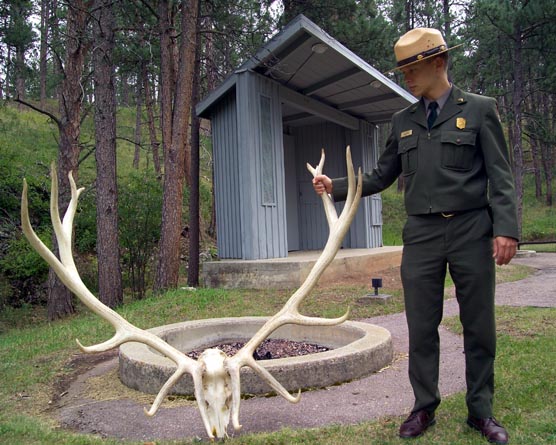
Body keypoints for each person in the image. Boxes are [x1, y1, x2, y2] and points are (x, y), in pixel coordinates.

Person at [313, 28, 518, 444]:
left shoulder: (479, 110)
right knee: (421, 326)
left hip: (471, 229)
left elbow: (501, 175)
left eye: (414, 67)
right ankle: (423, 408)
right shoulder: (402, 121)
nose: (407, 76)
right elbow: (380, 175)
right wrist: (332, 185)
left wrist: (507, 229)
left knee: (479, 325)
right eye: (403, 68)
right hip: (421, 234)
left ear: (438, 63)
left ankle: (480, 412)